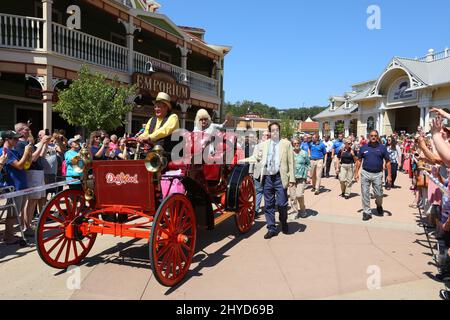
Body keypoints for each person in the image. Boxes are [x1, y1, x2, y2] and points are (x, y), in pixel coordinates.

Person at [241, 122, 295, 239]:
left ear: (279, 131)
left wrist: (292, 179)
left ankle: (283, 221)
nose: (275, 132)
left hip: (280, 178)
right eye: (272, 130)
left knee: (282, 203)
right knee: (268, 205)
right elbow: (256, 157)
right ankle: (271, 228)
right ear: (270, 132)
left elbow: (291, 162)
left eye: (277, 130)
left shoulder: (286, 144)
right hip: (267, 178)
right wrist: (242, 159)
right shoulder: (264, 145)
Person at [14, 122, 50, 236]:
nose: (28, 130)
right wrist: (42, 142)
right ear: (19, 131)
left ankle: (28, 225)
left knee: (34, 200)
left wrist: (44, 144)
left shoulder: (28, 143)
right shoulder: (20, 144)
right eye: (25, 129)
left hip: (38, 172)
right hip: (32, 172)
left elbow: (41, 156)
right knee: (30, 201)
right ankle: (26, 227)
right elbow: (32, 159)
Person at [0, 130, 32, 244]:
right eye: (14, 139)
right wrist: (26, 152)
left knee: (16, 212)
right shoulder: (4, 151)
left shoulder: (13, 151)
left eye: (18, 138)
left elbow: (26, 164)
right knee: (12, 213)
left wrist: (28, 153)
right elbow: (19, 166)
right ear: (7, 139)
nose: (17, 140)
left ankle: (9, 235)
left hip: (21, 185)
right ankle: (9, 237)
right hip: (14, 186)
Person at [354, 130, 392, 221]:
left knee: (379, 194)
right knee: (365, 192)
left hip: (377, 174)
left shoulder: (382, 148)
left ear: (378, 137)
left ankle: (379, 205)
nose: (373, 137)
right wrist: (356, 173)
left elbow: (388, 162)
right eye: (371, 135)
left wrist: (389, 175)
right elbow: (359, 161)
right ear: (369, 137)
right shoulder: (364, 147)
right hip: (365, 173)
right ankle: (367, 212)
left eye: (375, 135)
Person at [137, 92, 180, 159]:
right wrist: (139, 138)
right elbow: (146, 133)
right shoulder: (151, 119)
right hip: (153, 154)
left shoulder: (173, 117)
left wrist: (149, 137)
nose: (156, 109)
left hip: (169, 155)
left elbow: (165, 130)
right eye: (155, 107)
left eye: (159, 107)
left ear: (166, 107)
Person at [249, 130, 270, 217]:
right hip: (258, 172)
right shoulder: (257, 147)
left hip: (269, 172)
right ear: (262, 136)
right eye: (265, 135)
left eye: (268, 136)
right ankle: (256, 210)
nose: (267, 137)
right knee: (258, 191)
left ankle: (268, 209)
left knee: (268, 191)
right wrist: (250, 171)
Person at [290, 138, 310, 218]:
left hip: (301, 177)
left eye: (297, 143)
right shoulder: (290, 153)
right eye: (294, 143)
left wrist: (308, 176)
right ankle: (295, 212)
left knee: (299, 195)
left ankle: (302, 209)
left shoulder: (304, 153)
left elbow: (308, 164)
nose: (296, 144)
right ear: (292, 144)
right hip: (292, 177)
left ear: (300, 143)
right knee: (292, 197)